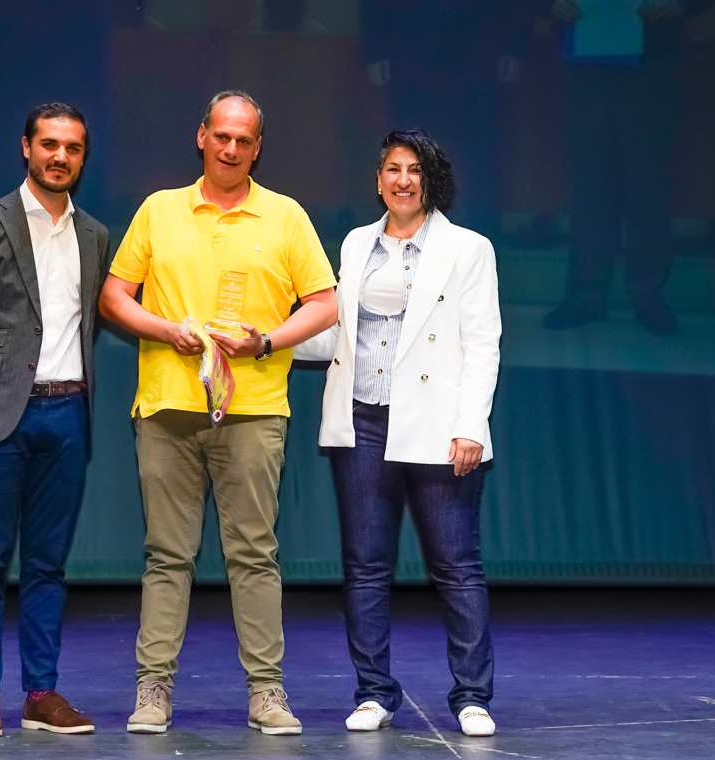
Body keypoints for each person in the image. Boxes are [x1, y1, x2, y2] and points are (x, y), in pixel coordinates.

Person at [99, 90, 337, 736]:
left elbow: (323, 304)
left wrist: (265, 341)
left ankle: (267, 693)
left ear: (258, 147)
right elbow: (115, 297)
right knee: (167, 555)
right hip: (168, 407)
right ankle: (153, 692)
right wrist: (164, 328)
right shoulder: (160, 210)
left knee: (254, 554)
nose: (231, 148)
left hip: (254, 409)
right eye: (221, 135)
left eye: (244, 140)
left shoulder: (285, 217)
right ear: (200, 135)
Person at [295, 129, 502, 736]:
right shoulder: (359, 243)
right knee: (364, 565)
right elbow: (336, 332)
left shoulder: (468, 248)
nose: (403, 180)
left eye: (414, 170)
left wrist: (471, 426)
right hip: (363, 420)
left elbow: (482, 343)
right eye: (392, 169)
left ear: (430, 180)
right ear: (378, 178)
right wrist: (266, 340)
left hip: (438, 426)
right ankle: (374, 692)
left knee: (457, 566)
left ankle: (471, 695)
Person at [0, 103, 111, 738]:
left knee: (47, 564)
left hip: (67, 413)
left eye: (74, 148)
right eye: (50, 145)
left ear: (83, 158)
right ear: (27, 149)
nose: (60, 156)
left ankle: (41, 693)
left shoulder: (94, 234)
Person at [543, 0, 712, 335]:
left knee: (649, 183)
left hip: (653, 58)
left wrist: (680, 5)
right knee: (589, 181)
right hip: (584, 55)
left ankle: (647, 295)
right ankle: (586, 295)